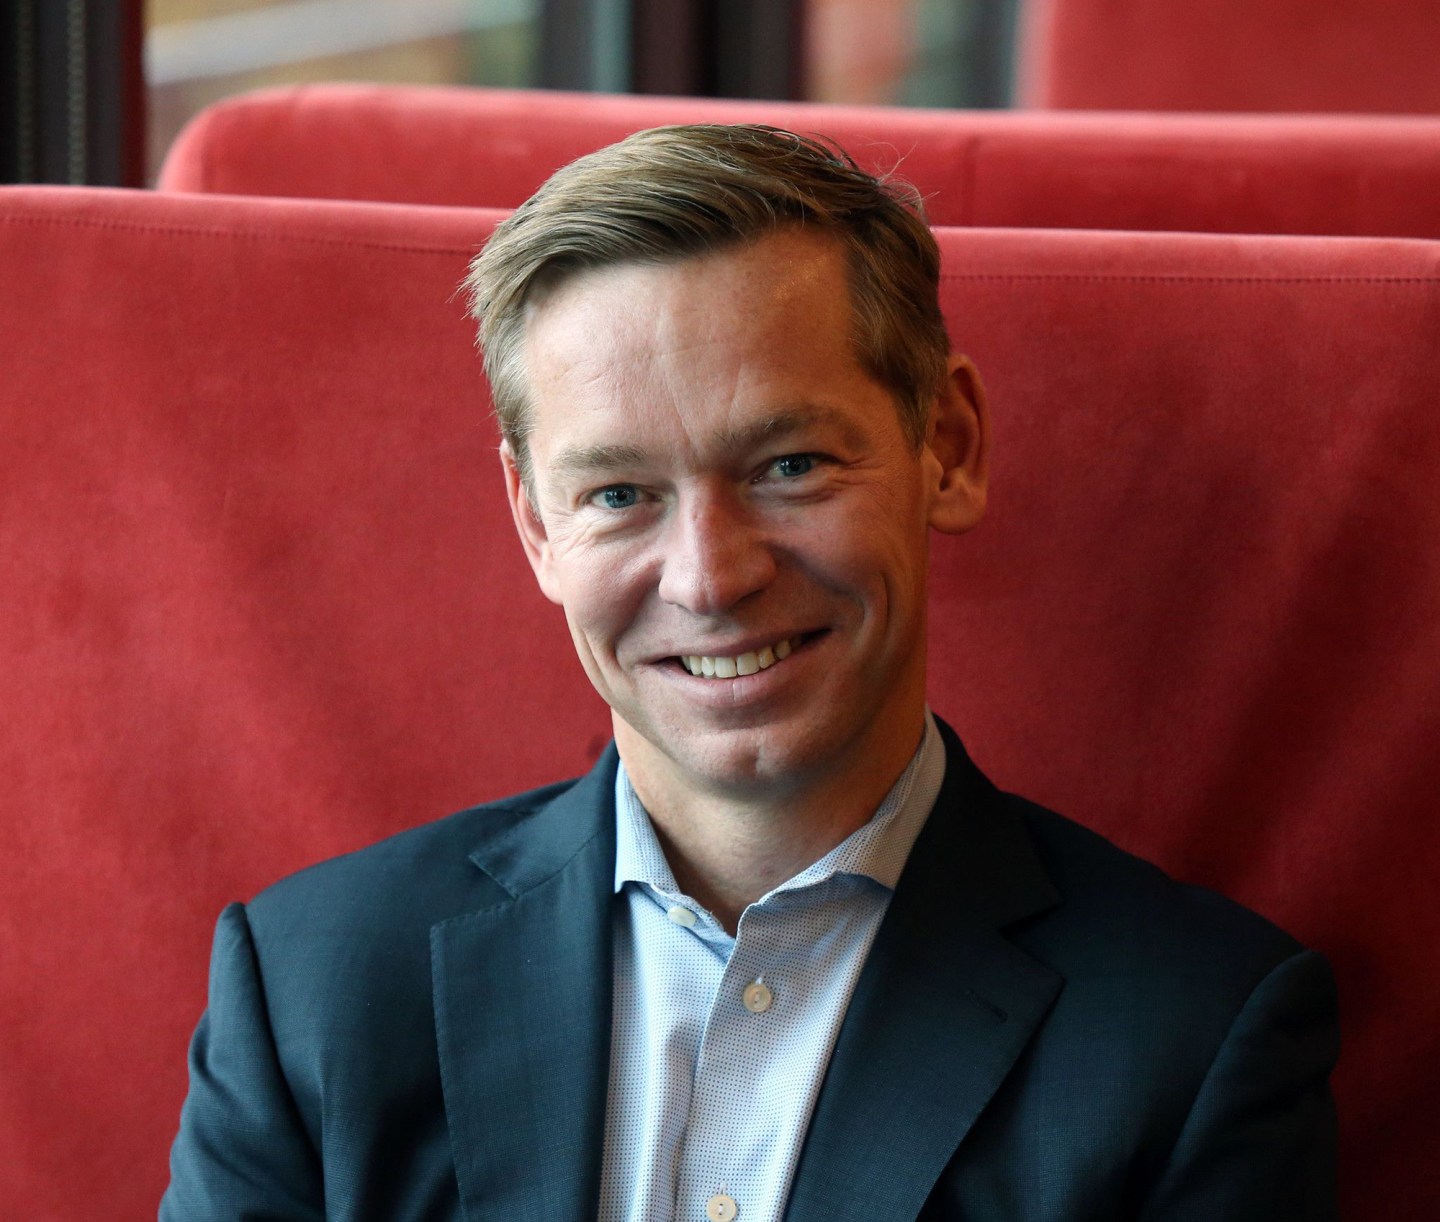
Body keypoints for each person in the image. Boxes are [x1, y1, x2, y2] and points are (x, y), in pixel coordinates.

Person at [161, 125, 1339, 1221]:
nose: (711, 577)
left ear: (948, 447)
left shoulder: (1195, 1041)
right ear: (535, 525)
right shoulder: (306, 995)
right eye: (619, 494)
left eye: (789, 465)